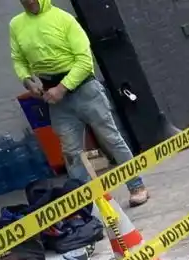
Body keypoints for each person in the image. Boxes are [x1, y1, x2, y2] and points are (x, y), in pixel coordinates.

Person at [10, 0, 150, 207]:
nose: (28, 1)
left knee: (111, 139)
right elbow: (18, 58)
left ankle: (137, 186)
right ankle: (87, 204)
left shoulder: (64, 19)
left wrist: (62, 88)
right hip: (54, 96)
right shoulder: (16, 24)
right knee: (71, 152)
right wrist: (26, 79)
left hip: (85, 90)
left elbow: (84, 61)